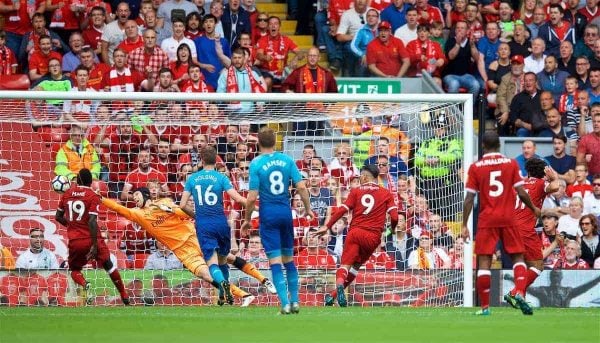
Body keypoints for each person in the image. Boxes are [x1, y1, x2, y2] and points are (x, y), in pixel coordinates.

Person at [101, 187, 257, 306]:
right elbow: (118, 209)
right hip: (183, 251)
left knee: (227, 257)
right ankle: (244, 295)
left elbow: (185, 214)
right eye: (133, 196)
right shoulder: (138, 215)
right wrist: (101, 199)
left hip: (194, 238)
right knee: (206, 275)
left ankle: (261, 280)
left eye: (136, 195)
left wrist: (170, 209)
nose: (134, 198)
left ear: (146, 194)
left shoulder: (165, 202)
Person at [461, 131, 541, 316]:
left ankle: (485, 308)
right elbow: (521, 192)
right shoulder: (511, 164)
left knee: (484, 262)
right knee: (518, 258)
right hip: (508, 217)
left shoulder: (476, 167)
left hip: (487, 219)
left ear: (483, 147)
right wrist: (533, 208)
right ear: (498, 145)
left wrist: (464, 224)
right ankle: (519, 291)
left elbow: (469, 198)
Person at [241, 126, 314, 314]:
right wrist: (307, 209)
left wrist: (247, 219)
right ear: (275, 141)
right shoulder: (287, 160)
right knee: (289, 260)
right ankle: (296, 301)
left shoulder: (256, 164)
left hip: (268, 215)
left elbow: (251, 198)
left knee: (275, 262)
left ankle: (285, 304)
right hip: (285, 213)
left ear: (258, 142)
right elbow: (302, 188)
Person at [314, 164, 397, 307]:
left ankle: (339, 286)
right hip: (372, 238)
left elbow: (341, 211)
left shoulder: (356, 191)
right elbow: (395, 217)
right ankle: (332, 297)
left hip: (355, 233)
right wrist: (393, 229)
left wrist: (326, 226)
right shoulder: (386, 193)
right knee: (355, 267)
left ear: (364, 177)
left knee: (344, 266)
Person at [179, 146, 247, 305]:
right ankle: (223, 295)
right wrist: (253, 205)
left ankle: (223, 286)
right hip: (221, 222)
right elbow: (237, 199)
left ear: (201, 160)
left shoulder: (192, 179)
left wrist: (196, 215)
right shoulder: (221, 177)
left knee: (212, 263)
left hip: (204, 224)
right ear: (216, 160)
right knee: (223, 260)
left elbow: (182, 205)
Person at [55, 168, 130, 305]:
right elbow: (91, 221)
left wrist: (72, 226)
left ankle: (84, 283)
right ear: (90, 182)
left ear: (77, 181)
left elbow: (58, 217)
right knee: (109, 265)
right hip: (92, 238)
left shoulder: (66, 195)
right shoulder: (92, 195)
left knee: (75, 269)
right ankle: (124, 294)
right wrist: (94, 246)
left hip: (75, 240)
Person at [504, 159, 560, 309]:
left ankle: (520, 298)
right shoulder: (541, 184)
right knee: (537, 265)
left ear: (528, 171)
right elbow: (556, 187)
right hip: (524, 230)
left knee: (525, 265)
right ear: (543, 173)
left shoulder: (520, 184)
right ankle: (514, 292)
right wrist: (553, 177)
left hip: (510, 228)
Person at [576, 111, 600, 178]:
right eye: (594, 121)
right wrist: (585, 160)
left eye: (599, 122)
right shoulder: (585, 139)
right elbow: (578, 161)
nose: (596, 124)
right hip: (591, 177)